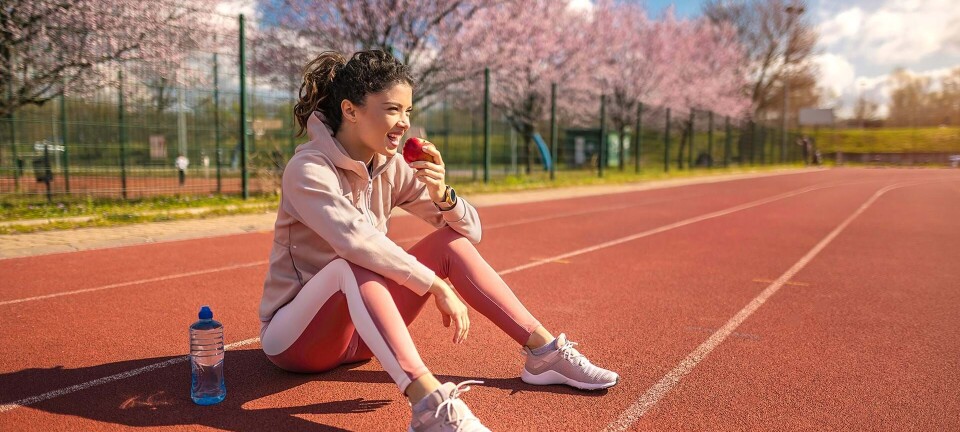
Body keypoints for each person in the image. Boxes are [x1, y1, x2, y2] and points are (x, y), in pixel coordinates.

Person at [257, 50, 619, 432]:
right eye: (393, 109)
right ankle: (429, 407)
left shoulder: (390, 166)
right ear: (350, 110)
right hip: (298, 341)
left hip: (363, 339)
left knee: (449, 245)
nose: (404, 123)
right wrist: (433, 284)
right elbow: (354, 241)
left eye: (408, 111)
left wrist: (441, 192)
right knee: (352, 264)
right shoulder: (308, 169)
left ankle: (543, 354)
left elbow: (469, 235)